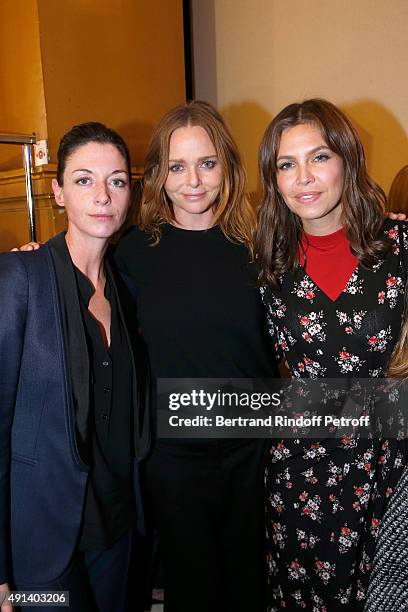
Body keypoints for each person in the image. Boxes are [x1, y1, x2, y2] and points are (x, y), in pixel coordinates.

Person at [114, 100, 279, 612]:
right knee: (192, 587)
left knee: (249, 582)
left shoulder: (260, 244)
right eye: (177, 166)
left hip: (253, 449)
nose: (193, 181)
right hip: (174, 455)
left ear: (226, 166)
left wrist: (385, 231)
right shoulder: (132, 251)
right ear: (158, 174)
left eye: (206, 164)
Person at [255, 98, 408, 610]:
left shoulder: (399, 244)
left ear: (346, 158)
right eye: (286, 164)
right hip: (302, 472)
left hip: (388, 466)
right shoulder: (266, 263)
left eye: (319, 157)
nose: (304, 177)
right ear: (274, 179)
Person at [0, 122, 149, 612]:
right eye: (84, 180)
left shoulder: (128, 286)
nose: (103, 195)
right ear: (59, 192)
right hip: (42, 545)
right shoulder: (18, 279)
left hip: (119, 529)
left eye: (117, 180)